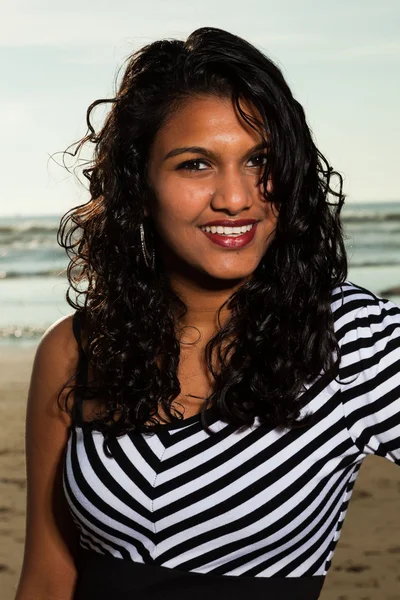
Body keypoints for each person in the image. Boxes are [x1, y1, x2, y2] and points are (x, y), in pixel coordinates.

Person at [15, 26, 400, 600]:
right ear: (139, 187)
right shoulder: (76, 348)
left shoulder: (350, 341)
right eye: (196, 165)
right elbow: (47, 580)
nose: (237, 197)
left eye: (259, 161)